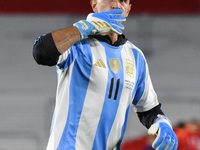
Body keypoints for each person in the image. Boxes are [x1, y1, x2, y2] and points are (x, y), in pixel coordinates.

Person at [33, 0, 178, 149]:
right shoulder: (76, 45)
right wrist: (86, 27)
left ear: (128, 9)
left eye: (123, 1)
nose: (115, 5)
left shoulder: (135, 56)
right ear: (94, 4)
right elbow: (41, 52)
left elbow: (148, 109)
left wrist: (162, 123)